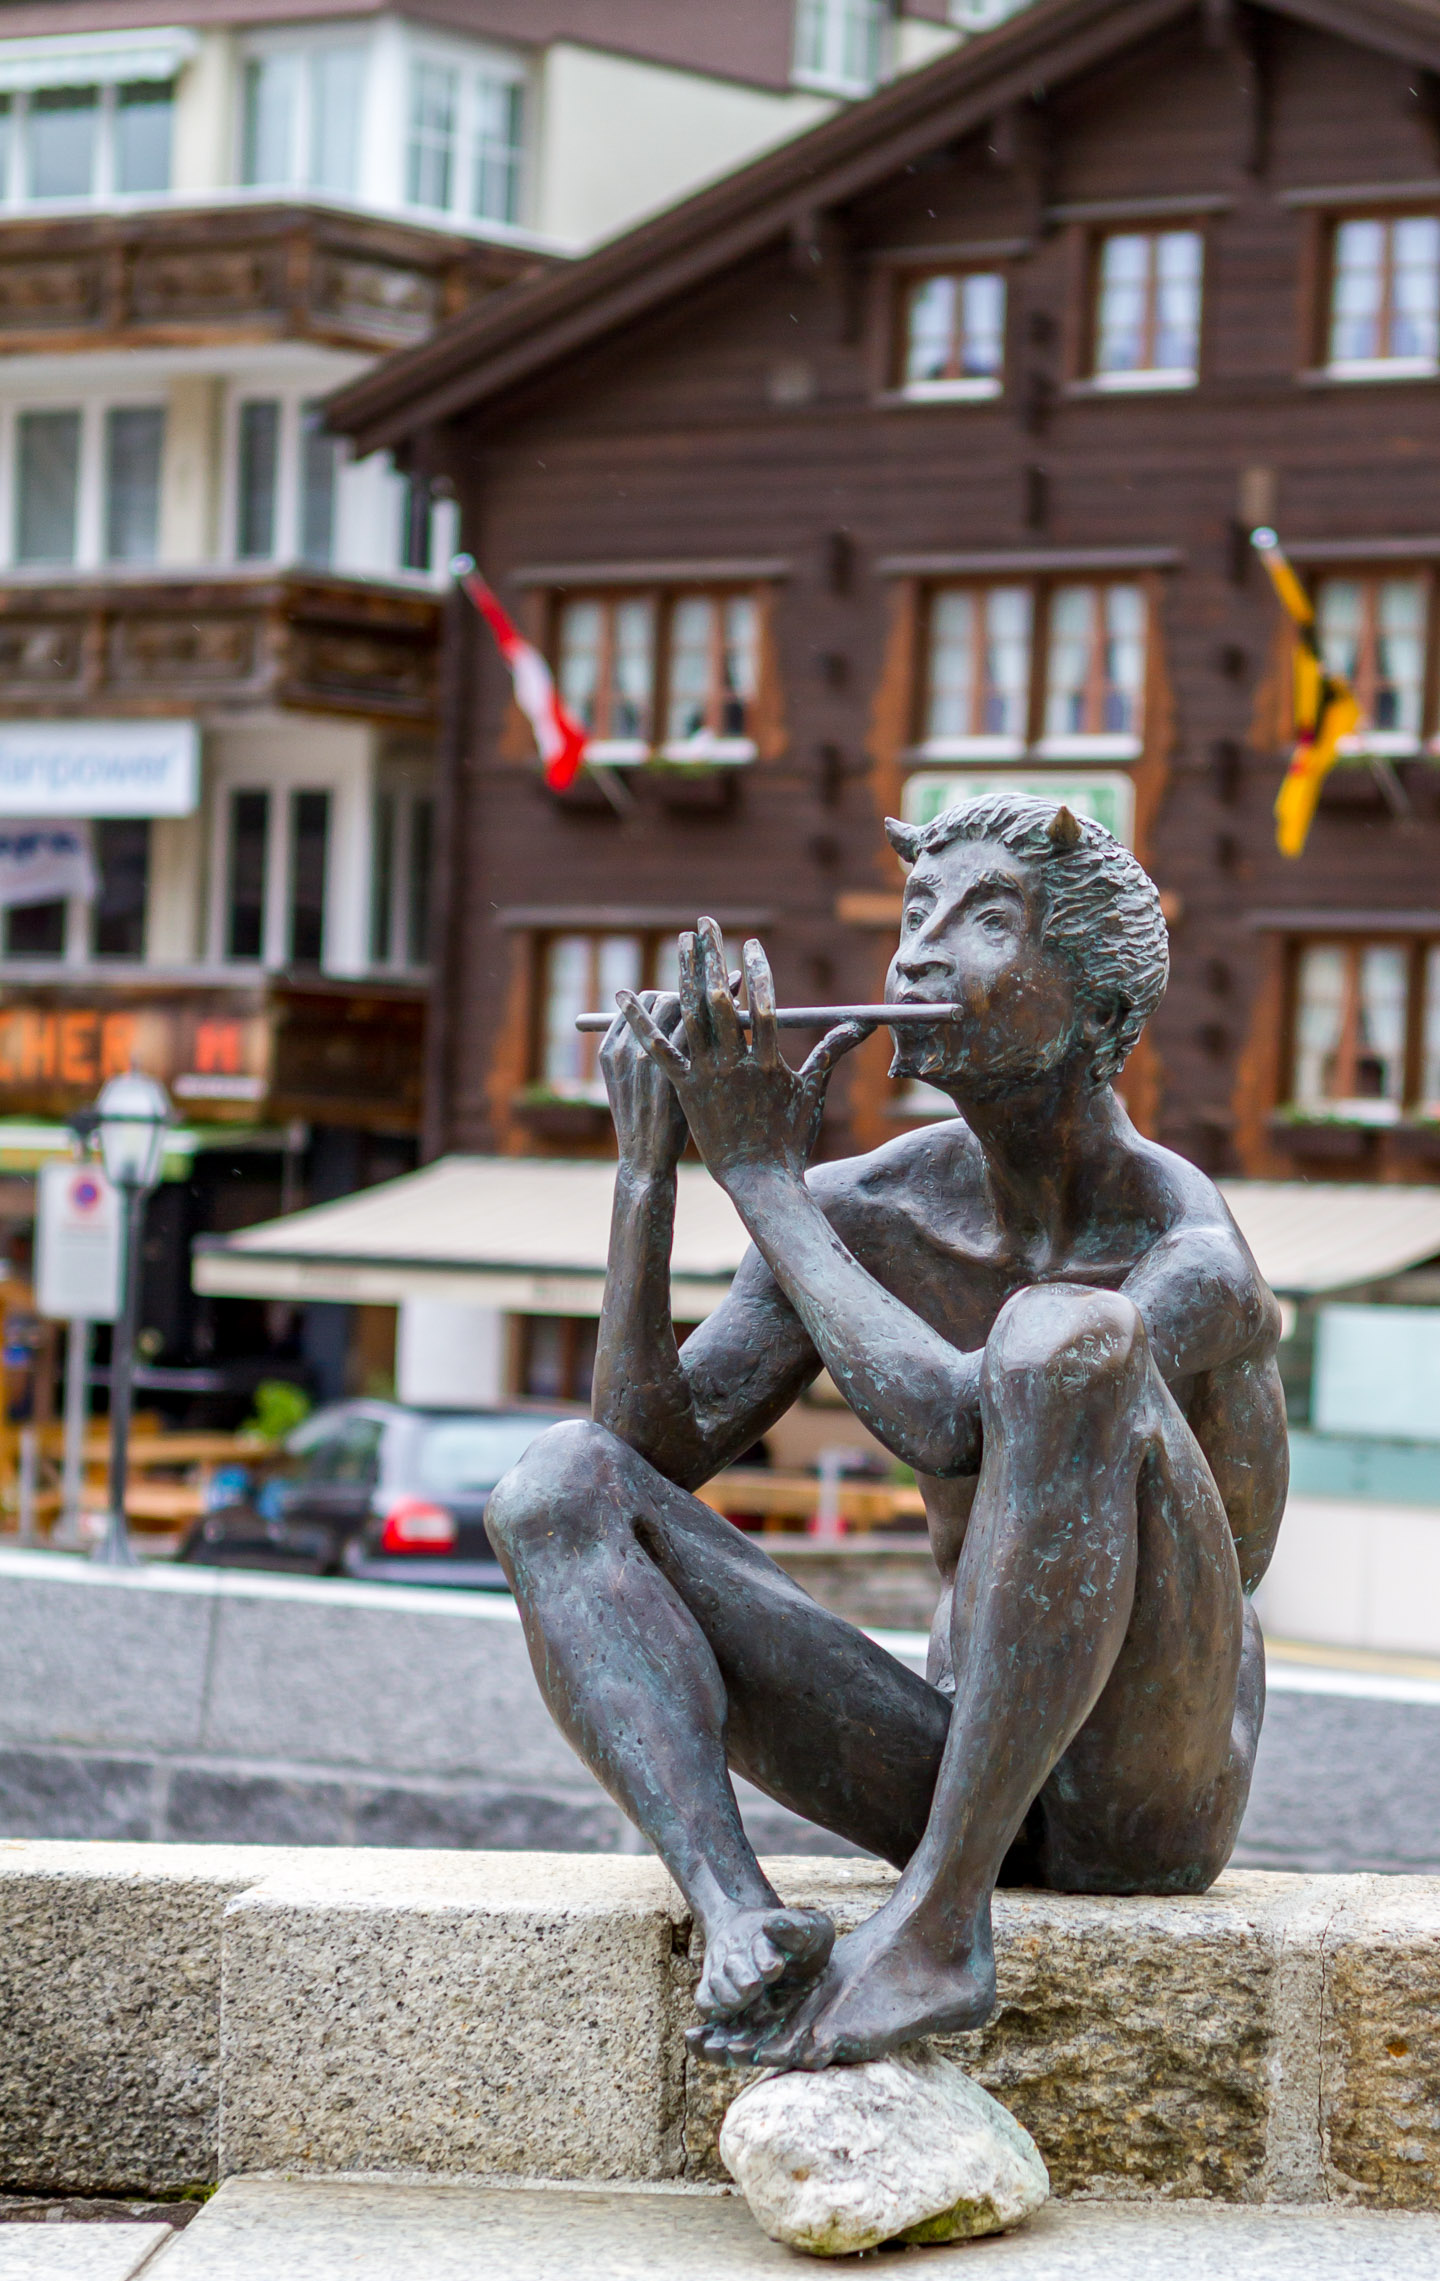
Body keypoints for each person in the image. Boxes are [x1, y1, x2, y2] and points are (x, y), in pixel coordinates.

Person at [487, 794, 1287, 2070]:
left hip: (1145, 1787)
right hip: (963, 1755)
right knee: (552, 1484)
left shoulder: (1186, 1246)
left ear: (1091, 1003)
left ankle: (936, 1929)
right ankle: (738, 1913)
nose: (916, 953)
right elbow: (645, 1445)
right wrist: (651, 1172)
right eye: (914, 913)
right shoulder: (864, 1209)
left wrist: (761, 1183)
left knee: (1061, 1340)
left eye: (982, 921)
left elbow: (957, 1424)